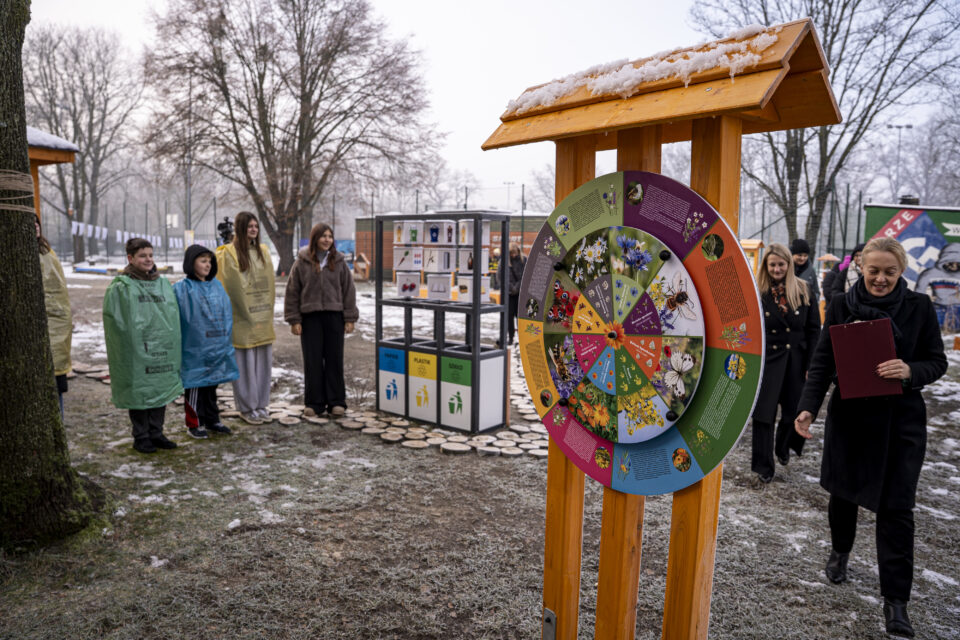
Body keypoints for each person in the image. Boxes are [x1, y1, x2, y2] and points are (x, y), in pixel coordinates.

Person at [795, 237, 947, 638]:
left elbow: (937, 361)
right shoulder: (843, 305)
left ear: (902, 272)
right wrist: (809, 406)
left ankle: (896, 602)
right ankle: (840, 551)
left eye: (889, 272)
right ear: (860, 267)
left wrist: (911, 370)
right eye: (873, 270)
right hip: (852, 418)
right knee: (843, 495)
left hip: (901, 425)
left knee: (897, 511)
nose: (880, 279)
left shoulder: (919, 308)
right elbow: (824, 358)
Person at [103, 238, 183, 454]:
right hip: (136, 348)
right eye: (142, 256)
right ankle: (141, 436)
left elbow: (171, 314)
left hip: (160, 345)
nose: (148, 259)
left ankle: (156, 433)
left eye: (150, 255)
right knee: (139, 388)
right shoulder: (121, 286)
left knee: (159, 385)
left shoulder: (162, 283)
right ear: (130, 258)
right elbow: (117, 322)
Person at [750, 243, 820, 484]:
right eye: (772, 265)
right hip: (767, 362)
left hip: (796, 361)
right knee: (763, 415)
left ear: (789, 265)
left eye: (781, 264)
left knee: (793, 411)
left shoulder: (803, 289)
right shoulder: (757, 291)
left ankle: (783, 447)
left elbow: (814, 330)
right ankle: (763, 466)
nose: (777, 269)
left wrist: (812, 364)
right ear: (766, 266)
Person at [284, 223, 358, 417]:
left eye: (330, 236)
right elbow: (292, 291)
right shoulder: (302, 261)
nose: (327, 240)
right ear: (315, 238)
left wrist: (349, 317)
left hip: (335, 316)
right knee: (313, 360)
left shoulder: (339, 261)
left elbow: (349, 291)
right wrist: (294, 320)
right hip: (310, 318)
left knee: (334, 359)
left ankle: (336, 402)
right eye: (323, 236)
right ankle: (314, 403)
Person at [173, 244, 239, 439]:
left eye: (210, 261)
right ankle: (195, 423)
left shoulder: (217, 286)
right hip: (194, 347)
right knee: (194, 386)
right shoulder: (181, 289)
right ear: (190, 263)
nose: (208, 265)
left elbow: (226, 312)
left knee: (212, 384)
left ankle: (212, 419)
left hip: (216, 345)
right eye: (203, 261)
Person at [217, 212, 275, 425]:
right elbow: (230, 285)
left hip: (261, 315)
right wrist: (244, 310)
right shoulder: (227, 253)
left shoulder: (263, 251)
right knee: (245, 364)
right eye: (249, 226)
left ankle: (261, 404)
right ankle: (246, 407)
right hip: (241, 317)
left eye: (255, 226)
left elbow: (267, 282)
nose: (253, 229)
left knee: (262, 362)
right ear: (240, 228)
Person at [35, 217, 73, 420]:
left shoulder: (47, 253)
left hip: (54, 323)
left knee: (55, 379)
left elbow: (58, 292)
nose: (34, 227)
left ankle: (58, 421)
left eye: (37, 223)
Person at [790, 238, 820, 305]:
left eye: (805, 255)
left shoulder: (811, 270)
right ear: (792, 254)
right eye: (799, 255)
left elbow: (816, 291)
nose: (802, 258)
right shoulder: (785, 268)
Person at [507, 242, 526, 344]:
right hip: (509, 294)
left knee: (520, 317)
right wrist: (511, 287)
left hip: (520, 294)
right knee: (509, 316)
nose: (513, 255)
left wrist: (516, 288)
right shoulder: (504, 261)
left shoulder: (524, 260)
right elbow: (500, 277)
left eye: (515, 253)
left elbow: (525, 276)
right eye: (511, 253)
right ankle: (510, 337)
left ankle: (521, 338)